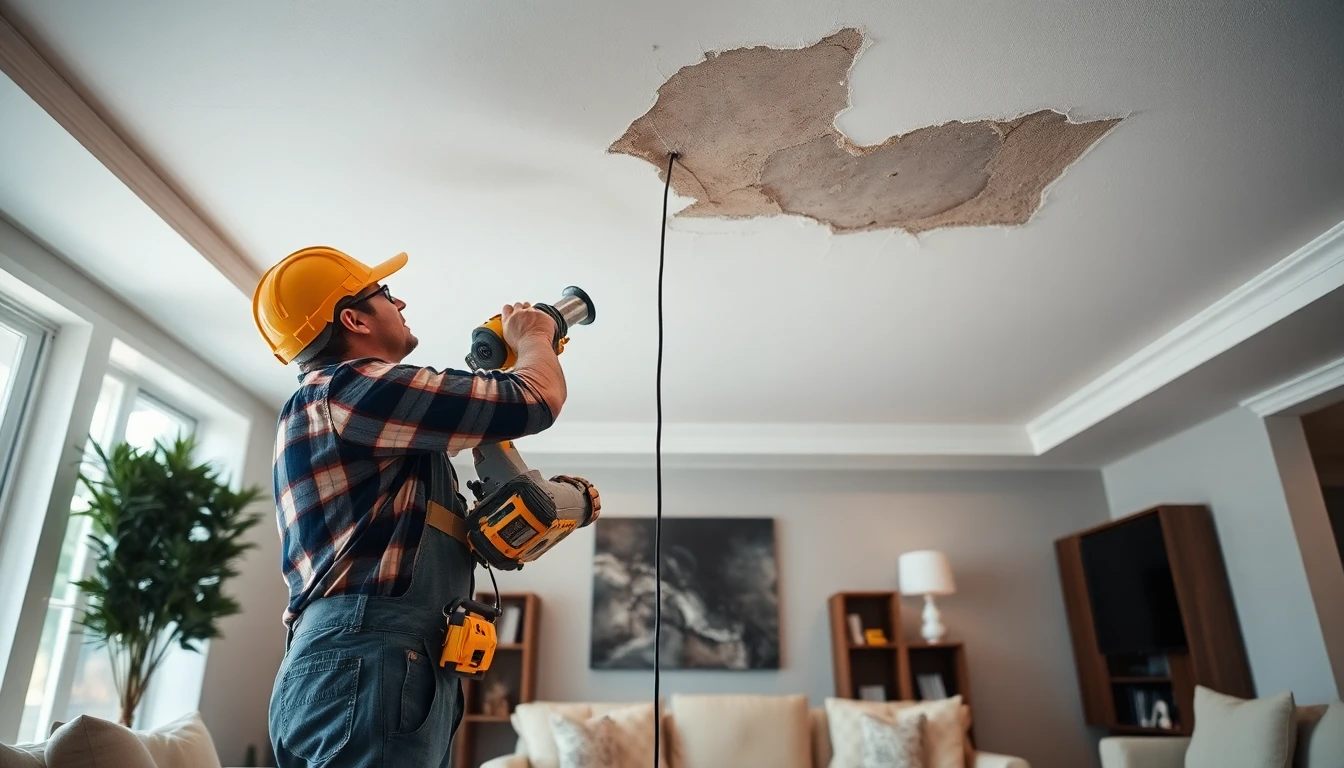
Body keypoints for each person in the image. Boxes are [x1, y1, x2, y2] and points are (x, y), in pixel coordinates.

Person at [251, 245, 566, 767]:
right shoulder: (349, 389)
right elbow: (535, 399)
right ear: (353, 319)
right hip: (370, 654)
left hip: (363, 658)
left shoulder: (340, 408)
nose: (399, 303)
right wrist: (535, 334)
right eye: (385, 294)